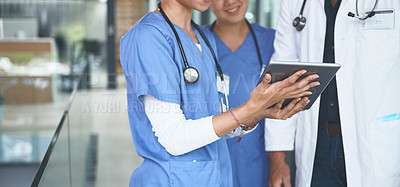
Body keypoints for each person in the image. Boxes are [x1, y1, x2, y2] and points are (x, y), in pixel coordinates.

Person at [120, 0, 320, 186]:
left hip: (217, 177)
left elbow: (212, 123)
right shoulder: (148, 36)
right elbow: (173, 137)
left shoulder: (204, 38)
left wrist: (258, 113)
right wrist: (248, 108)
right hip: (172, 179)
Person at [266, 0, 400, 186]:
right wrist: (278, 158)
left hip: (378, 146)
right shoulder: (295, 3)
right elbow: (282, 77)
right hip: (319, 146)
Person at [207, 0, 275, 186]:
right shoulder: (197, 42)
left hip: (257, 160)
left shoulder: (272, 41)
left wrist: (279, 161)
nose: (230, 2)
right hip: (211, 159)